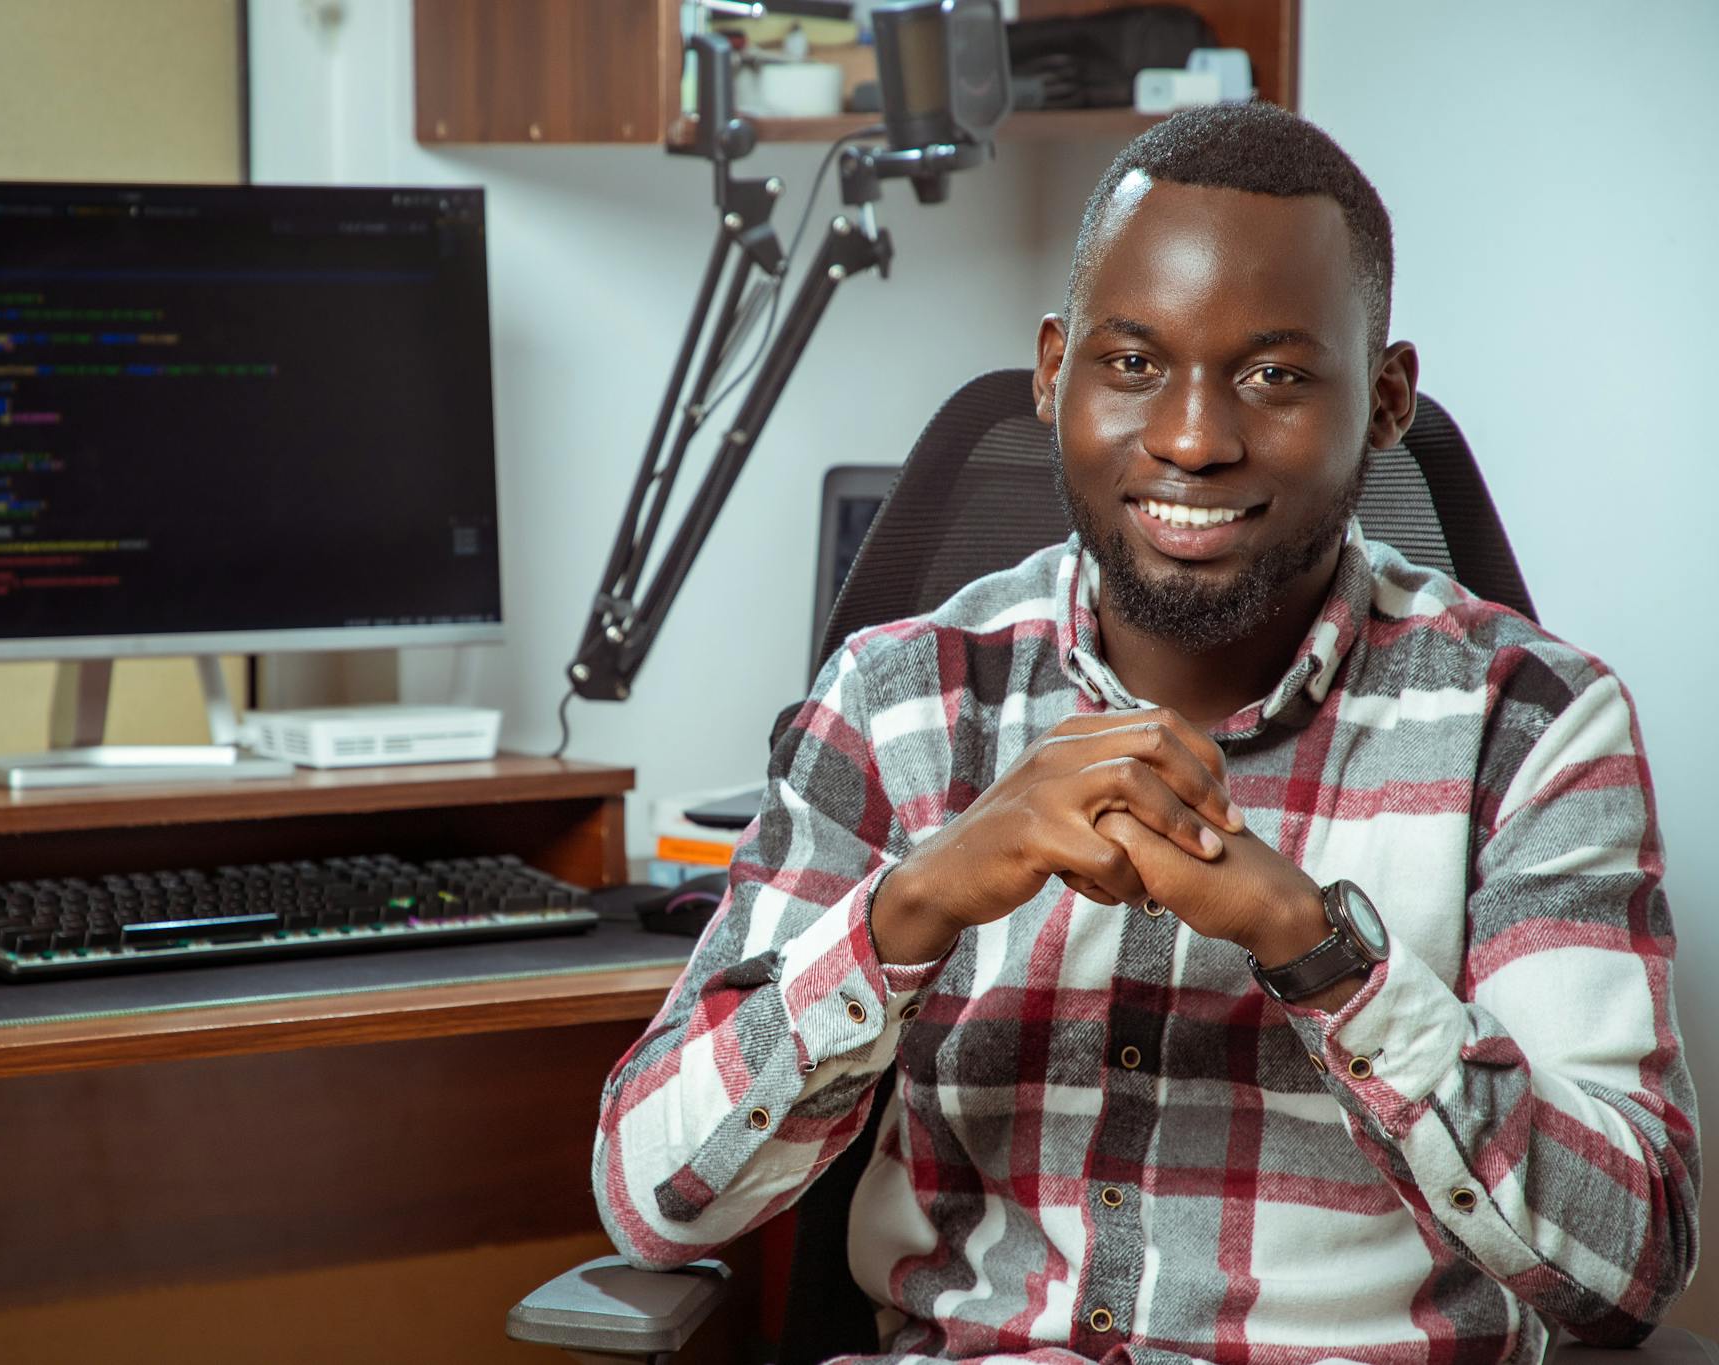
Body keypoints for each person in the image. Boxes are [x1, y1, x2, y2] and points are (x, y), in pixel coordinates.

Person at [591, 102, 1699, 1364]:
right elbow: (648, 1203)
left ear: (1386, 400)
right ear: (1051, 371)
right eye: (1130, 364)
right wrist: (913, 907)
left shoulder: (1530, 724)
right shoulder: (899, 699)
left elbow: (1630, 1268)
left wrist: (1317, 950)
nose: (1189, 439)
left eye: (1273, 377)